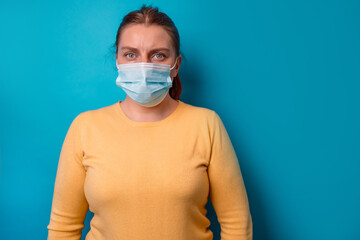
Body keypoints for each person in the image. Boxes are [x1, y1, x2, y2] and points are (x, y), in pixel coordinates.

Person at [47, 5, 253, 240]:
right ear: (117, 59)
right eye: (131, 54)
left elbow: (237, 223)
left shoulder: (206, 125)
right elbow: (63, 228)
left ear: (176, 65)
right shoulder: (84, 128)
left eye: (158, 55)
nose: (143, 66)